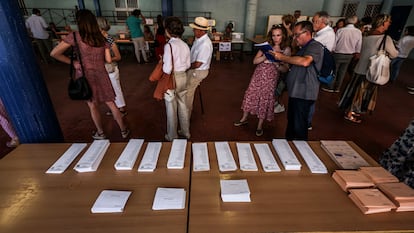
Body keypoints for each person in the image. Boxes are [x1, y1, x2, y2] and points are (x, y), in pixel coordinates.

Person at [51, 9, 129, 139]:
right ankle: (123, 130)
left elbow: (54, 53)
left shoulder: (75, 36)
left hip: (85, 75)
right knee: (111, 103)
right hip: (101, 73)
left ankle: (101, 133)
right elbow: (108, 59)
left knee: (92, 106)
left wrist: (74, 62)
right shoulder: (100, 37)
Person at [338, 14, 398, 123]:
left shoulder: (366, 35)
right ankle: (350, 113)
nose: (389, 24)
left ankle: (350, 110)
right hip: (371, 70)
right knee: (362, 92)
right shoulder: (385, 38)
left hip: (359, 68)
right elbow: (394, 54)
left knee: (354, 90)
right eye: (388, 21)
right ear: (383, 23)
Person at [234, 24, 291, 137]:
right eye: (273, 35)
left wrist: (275, 63)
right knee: (251, 94)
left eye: (278, 35)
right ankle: (244, 118)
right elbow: (255, 61)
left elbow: (285, 69)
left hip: (271, 77)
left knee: (265, 98)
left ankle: (260, 125)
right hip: (259, 74)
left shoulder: (286, 49)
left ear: (283, 36)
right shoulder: (266, 46)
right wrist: (266, 56)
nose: (276, 38)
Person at [270, 21, 324, 140]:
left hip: (304, 92)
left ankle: (299, 150)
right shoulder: (303, 48)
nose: (295, 38)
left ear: (308, 33)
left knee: (299, 125)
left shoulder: (315, 46)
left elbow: (305, 62)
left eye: (297, 35)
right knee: (292, 121)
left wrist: (282, 57)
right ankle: (290, 146)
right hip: (296, 92)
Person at [162, 16, 191, 141]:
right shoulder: (185, 45)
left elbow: (167, 69)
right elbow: (189, 64)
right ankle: (186, 132)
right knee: (183, 105)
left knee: (171, 108)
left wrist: (162, 62)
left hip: (172, 78)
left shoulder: (169, 46)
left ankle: (172, 135)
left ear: (168, 30)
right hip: (183, 76)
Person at [309, 11, 336, 130]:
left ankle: (307, 122)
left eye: (315, 21)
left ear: (323, 22)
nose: (313, 23)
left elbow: (308, 45)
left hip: (317, 68)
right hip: (315, 66)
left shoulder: (327, 34)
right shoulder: (320, 33)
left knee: (310, 95)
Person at [96, 17, 128, 117]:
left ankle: (121, 109)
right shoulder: (98, 39)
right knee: (108, 90)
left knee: (116, 89)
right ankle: (114, 108)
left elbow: (118, 56)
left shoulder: (109, 39)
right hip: (103, 70)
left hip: (111, 69)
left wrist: (106, 59)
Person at [326, 15, 362, 93]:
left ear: (346, 21)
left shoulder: (341, 30)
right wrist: (357, 52)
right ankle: (337, 88)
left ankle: (330, 87)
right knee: (342, 72)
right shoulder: (358, 31)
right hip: (349, 55)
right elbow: (359, 44)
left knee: (334, 71)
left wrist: (332, 50)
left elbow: (335, 42)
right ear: (355, 22)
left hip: (338, 53)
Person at [187, 17, 213, 120]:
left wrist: (185, 67)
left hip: (198, 71)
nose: (193, 30)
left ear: (202, 31)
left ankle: (186, 117)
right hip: (194, 69)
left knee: (187, 94)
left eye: (195, 29)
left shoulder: (205, 44)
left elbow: (197, 64)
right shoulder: (199, 39)